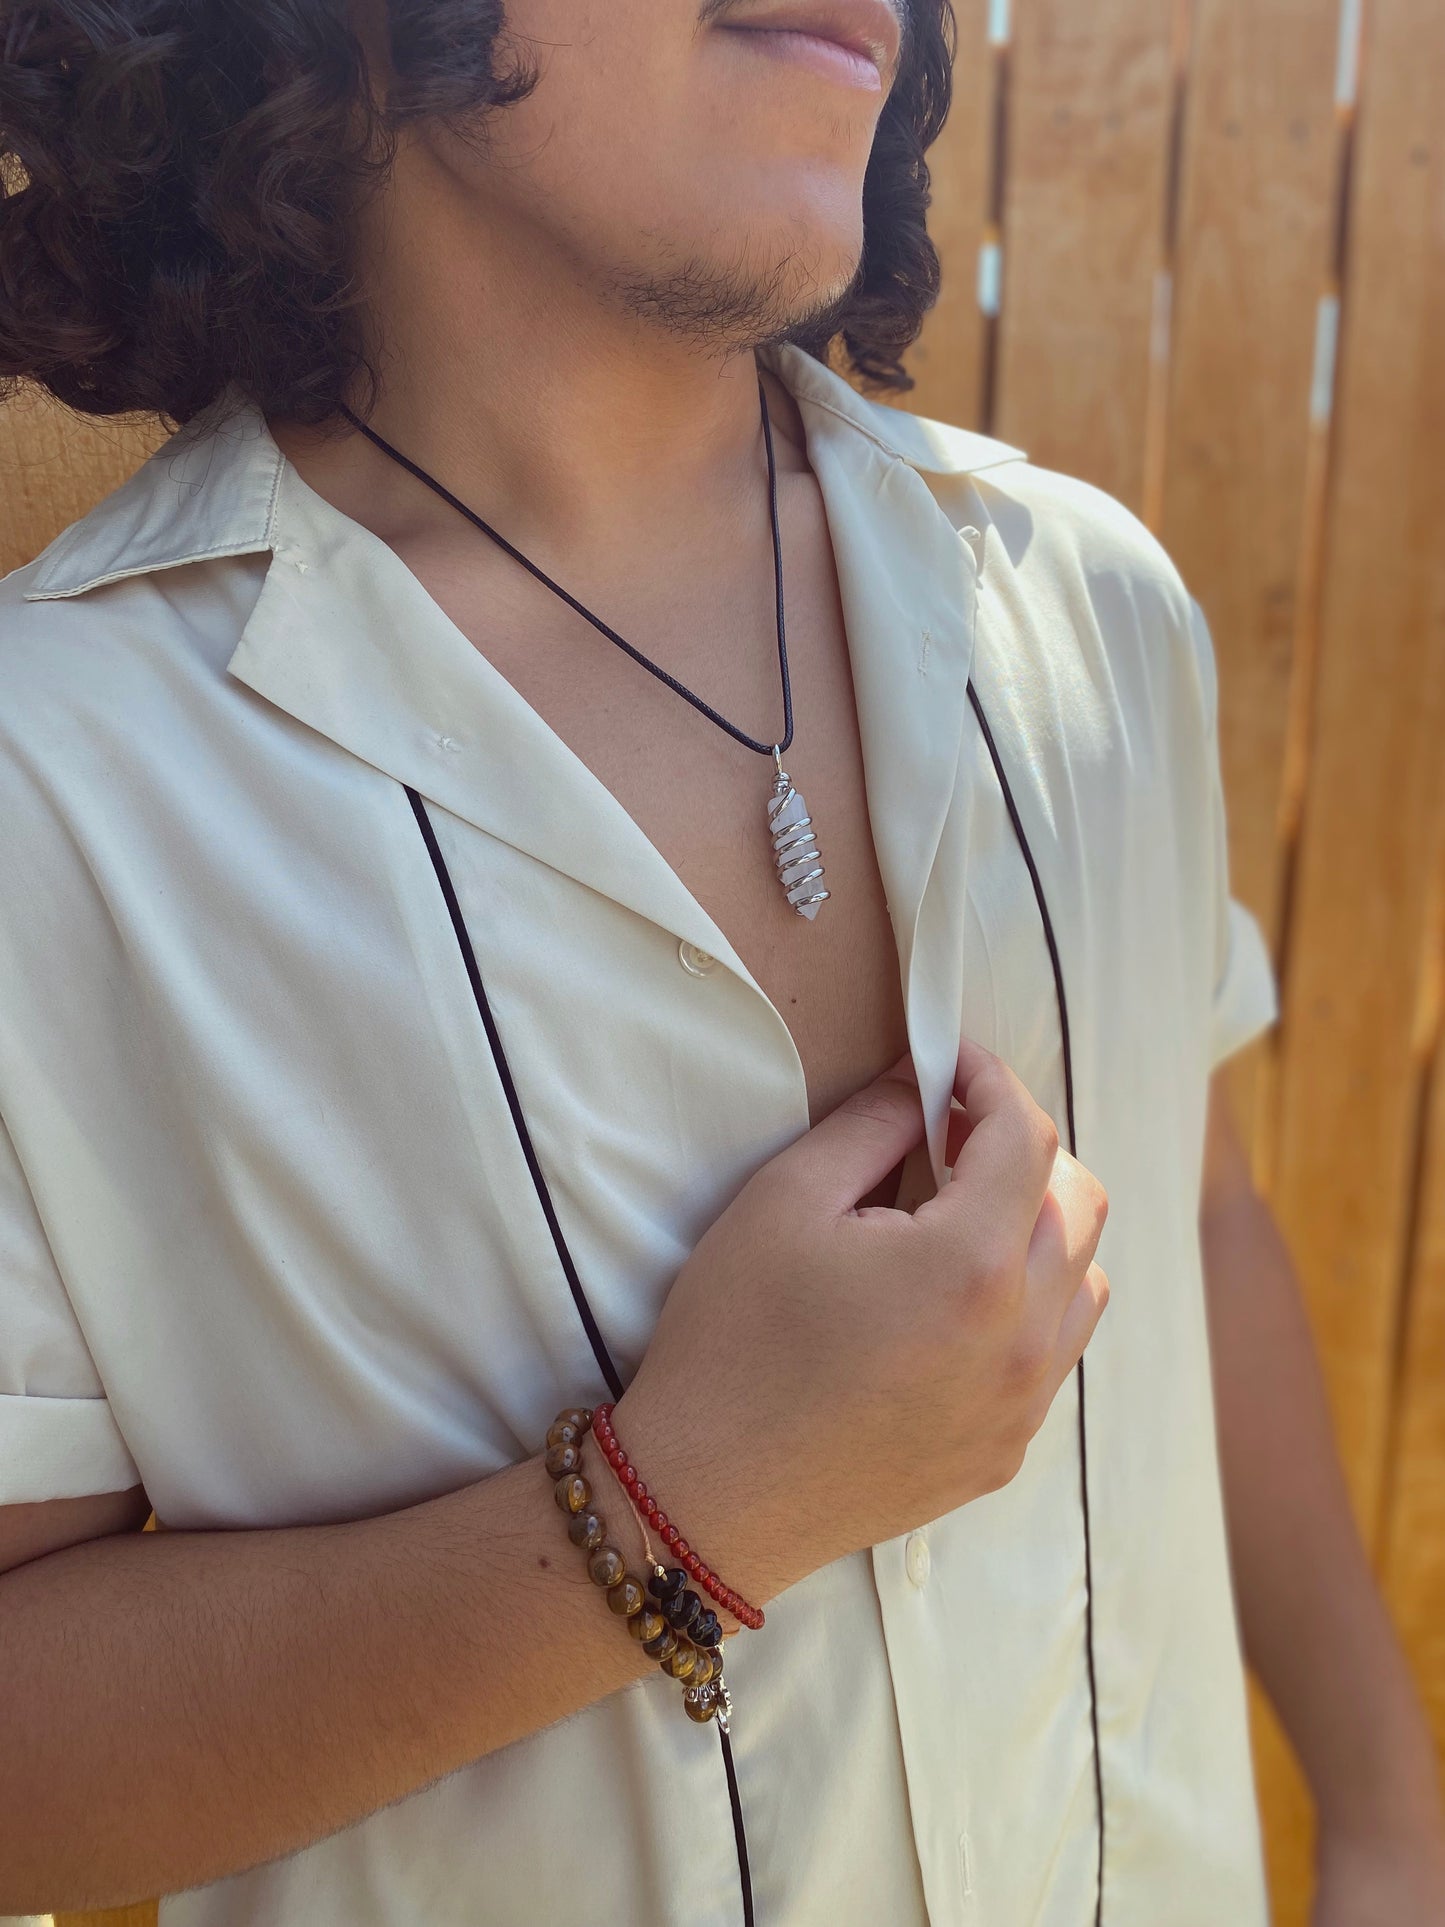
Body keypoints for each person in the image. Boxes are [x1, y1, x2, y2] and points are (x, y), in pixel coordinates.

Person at [0, 1, 1440, 1921]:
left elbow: (1196, 1218)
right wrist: (680, 1514)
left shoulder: (1089, 608)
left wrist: (1387, 1819)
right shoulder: (56, 794)